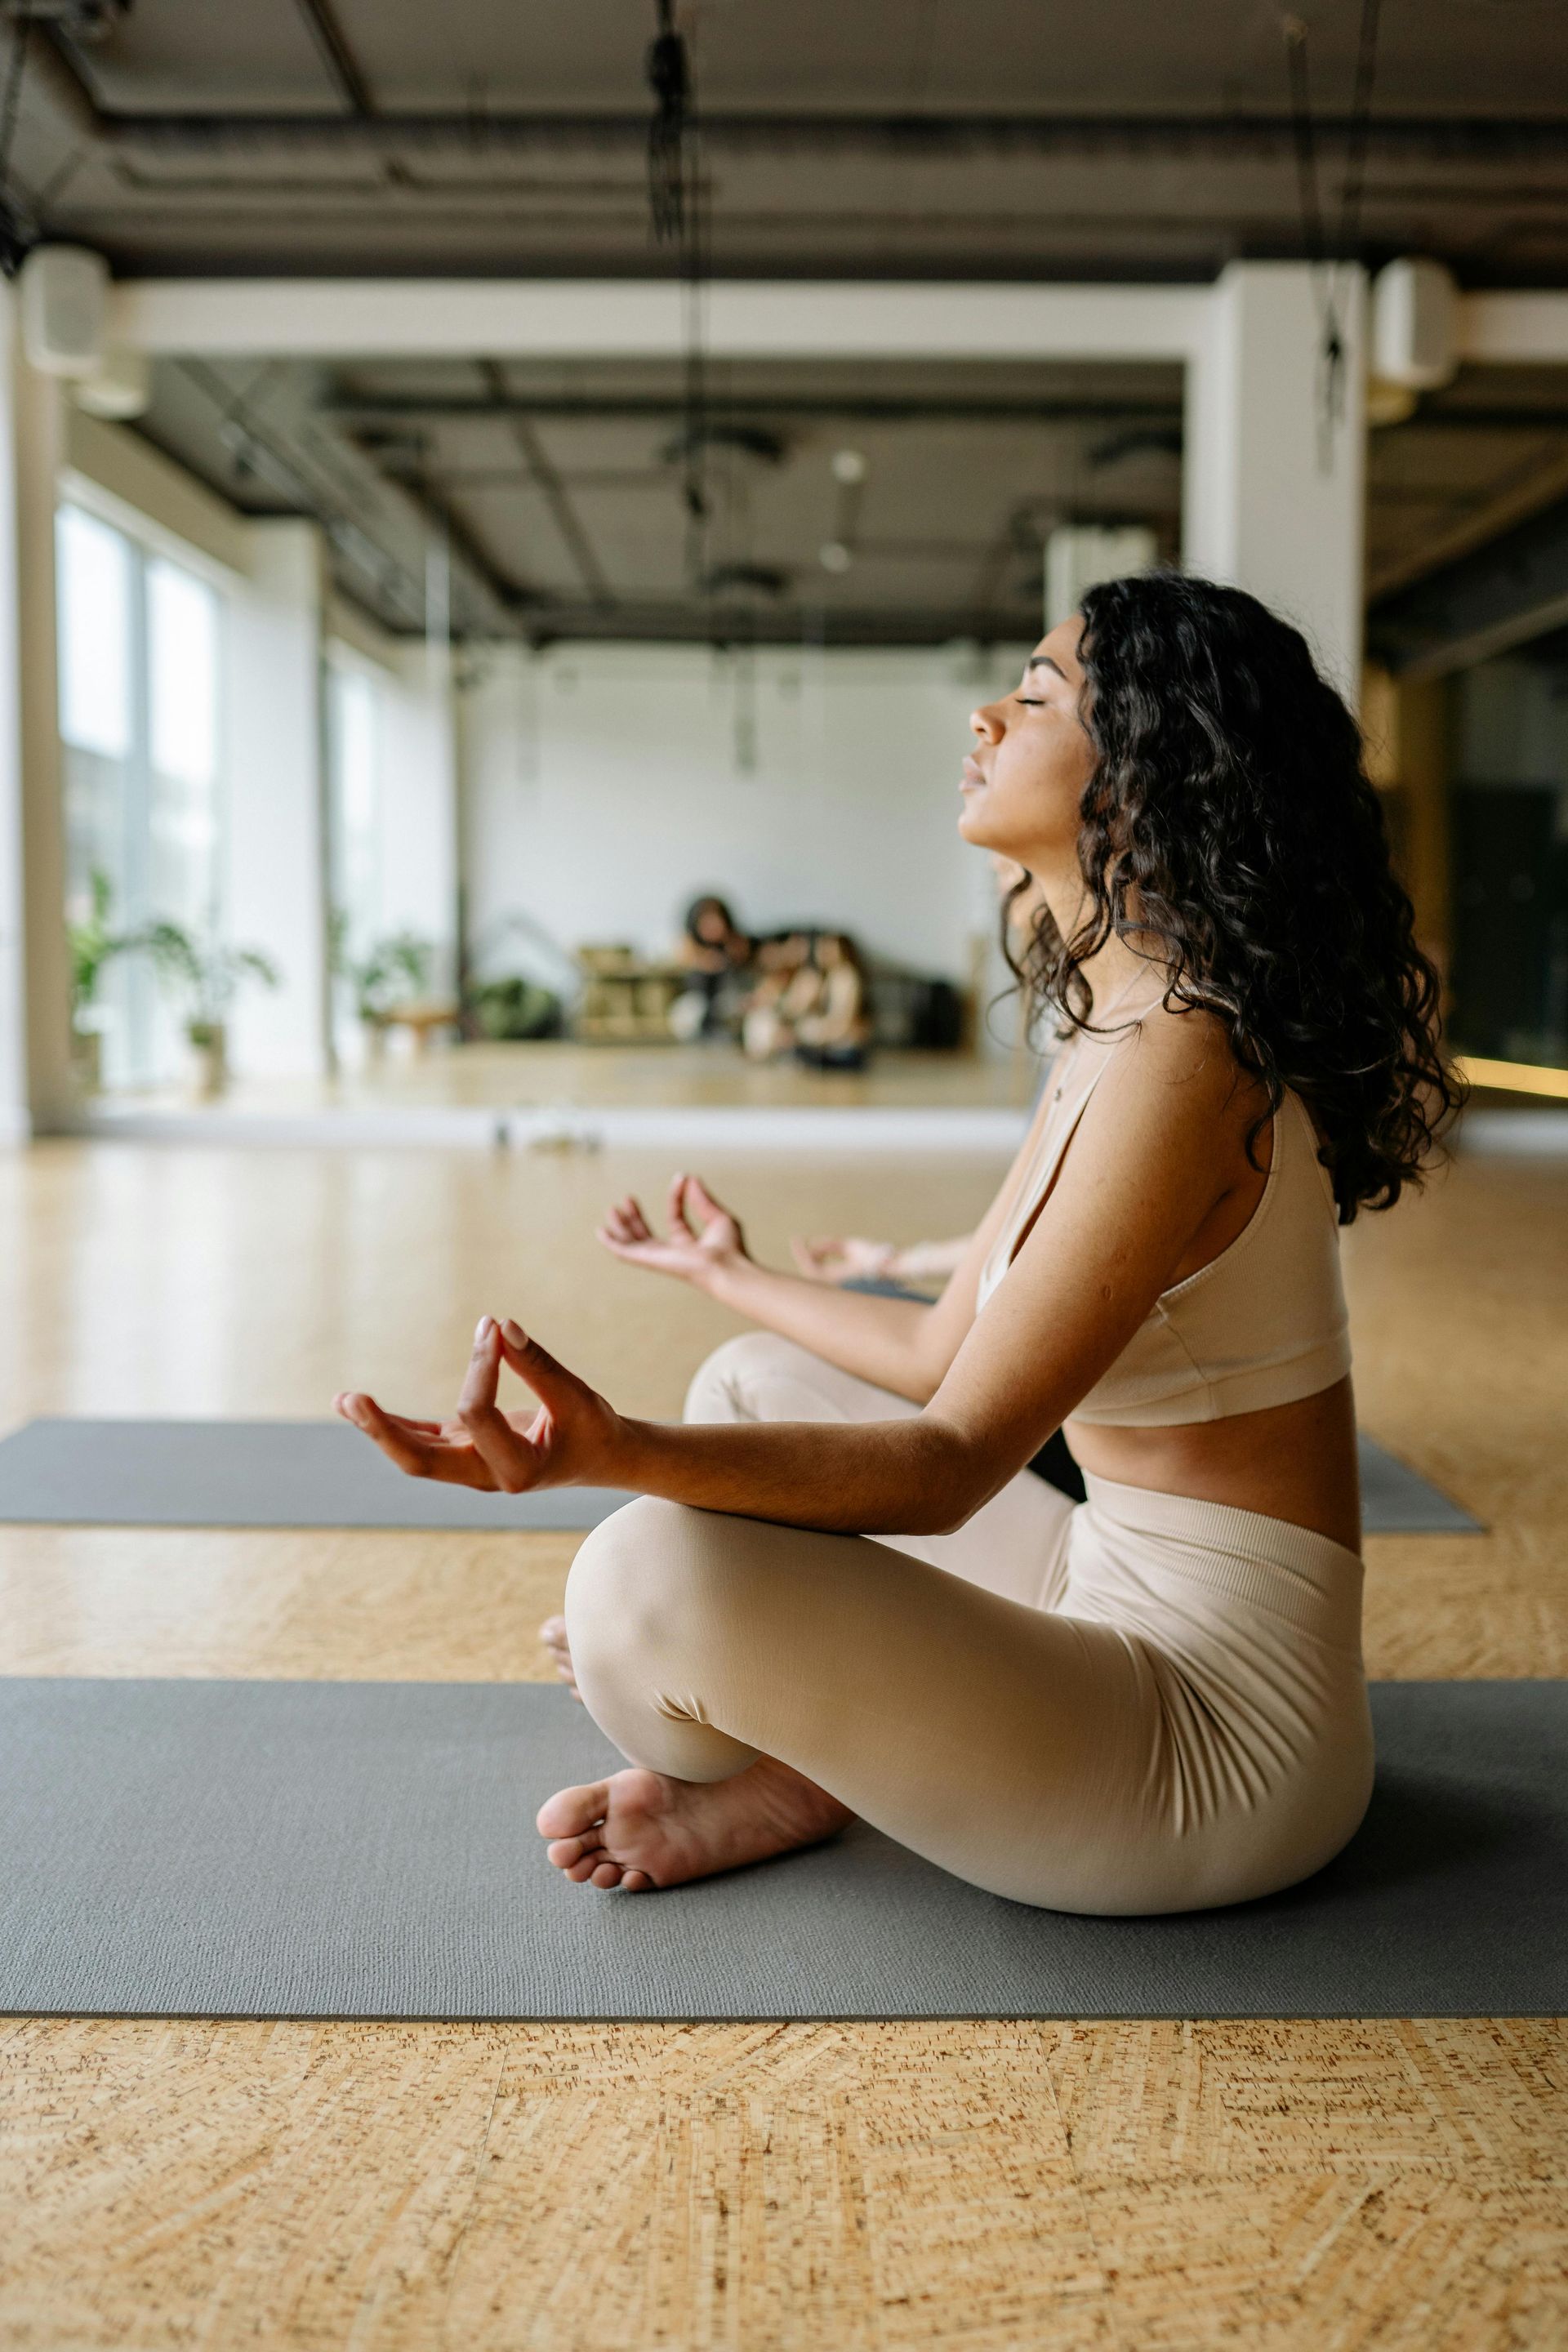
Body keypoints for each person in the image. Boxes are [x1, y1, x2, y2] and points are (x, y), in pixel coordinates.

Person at [336, 574, 1459, 1916]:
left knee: (641, 1578)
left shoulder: (1183, 1056)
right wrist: (730, 1274)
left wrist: (605, 1454)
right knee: (753, 1377)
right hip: (1098, 1579)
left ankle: (807, 1752)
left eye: (1037, 694)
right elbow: (941, 1349)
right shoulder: (1121, 1024)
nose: (986, 717)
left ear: (1151, 773)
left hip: (1214, 1746)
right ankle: (823, 1762)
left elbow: (949, 1469)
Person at [668, 893, 754, 1041]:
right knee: (687, 1013)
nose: (713, 925)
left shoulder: (737, 945)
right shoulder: (689, 947)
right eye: (706, 920)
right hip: (699, 1007)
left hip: (728, 1005)